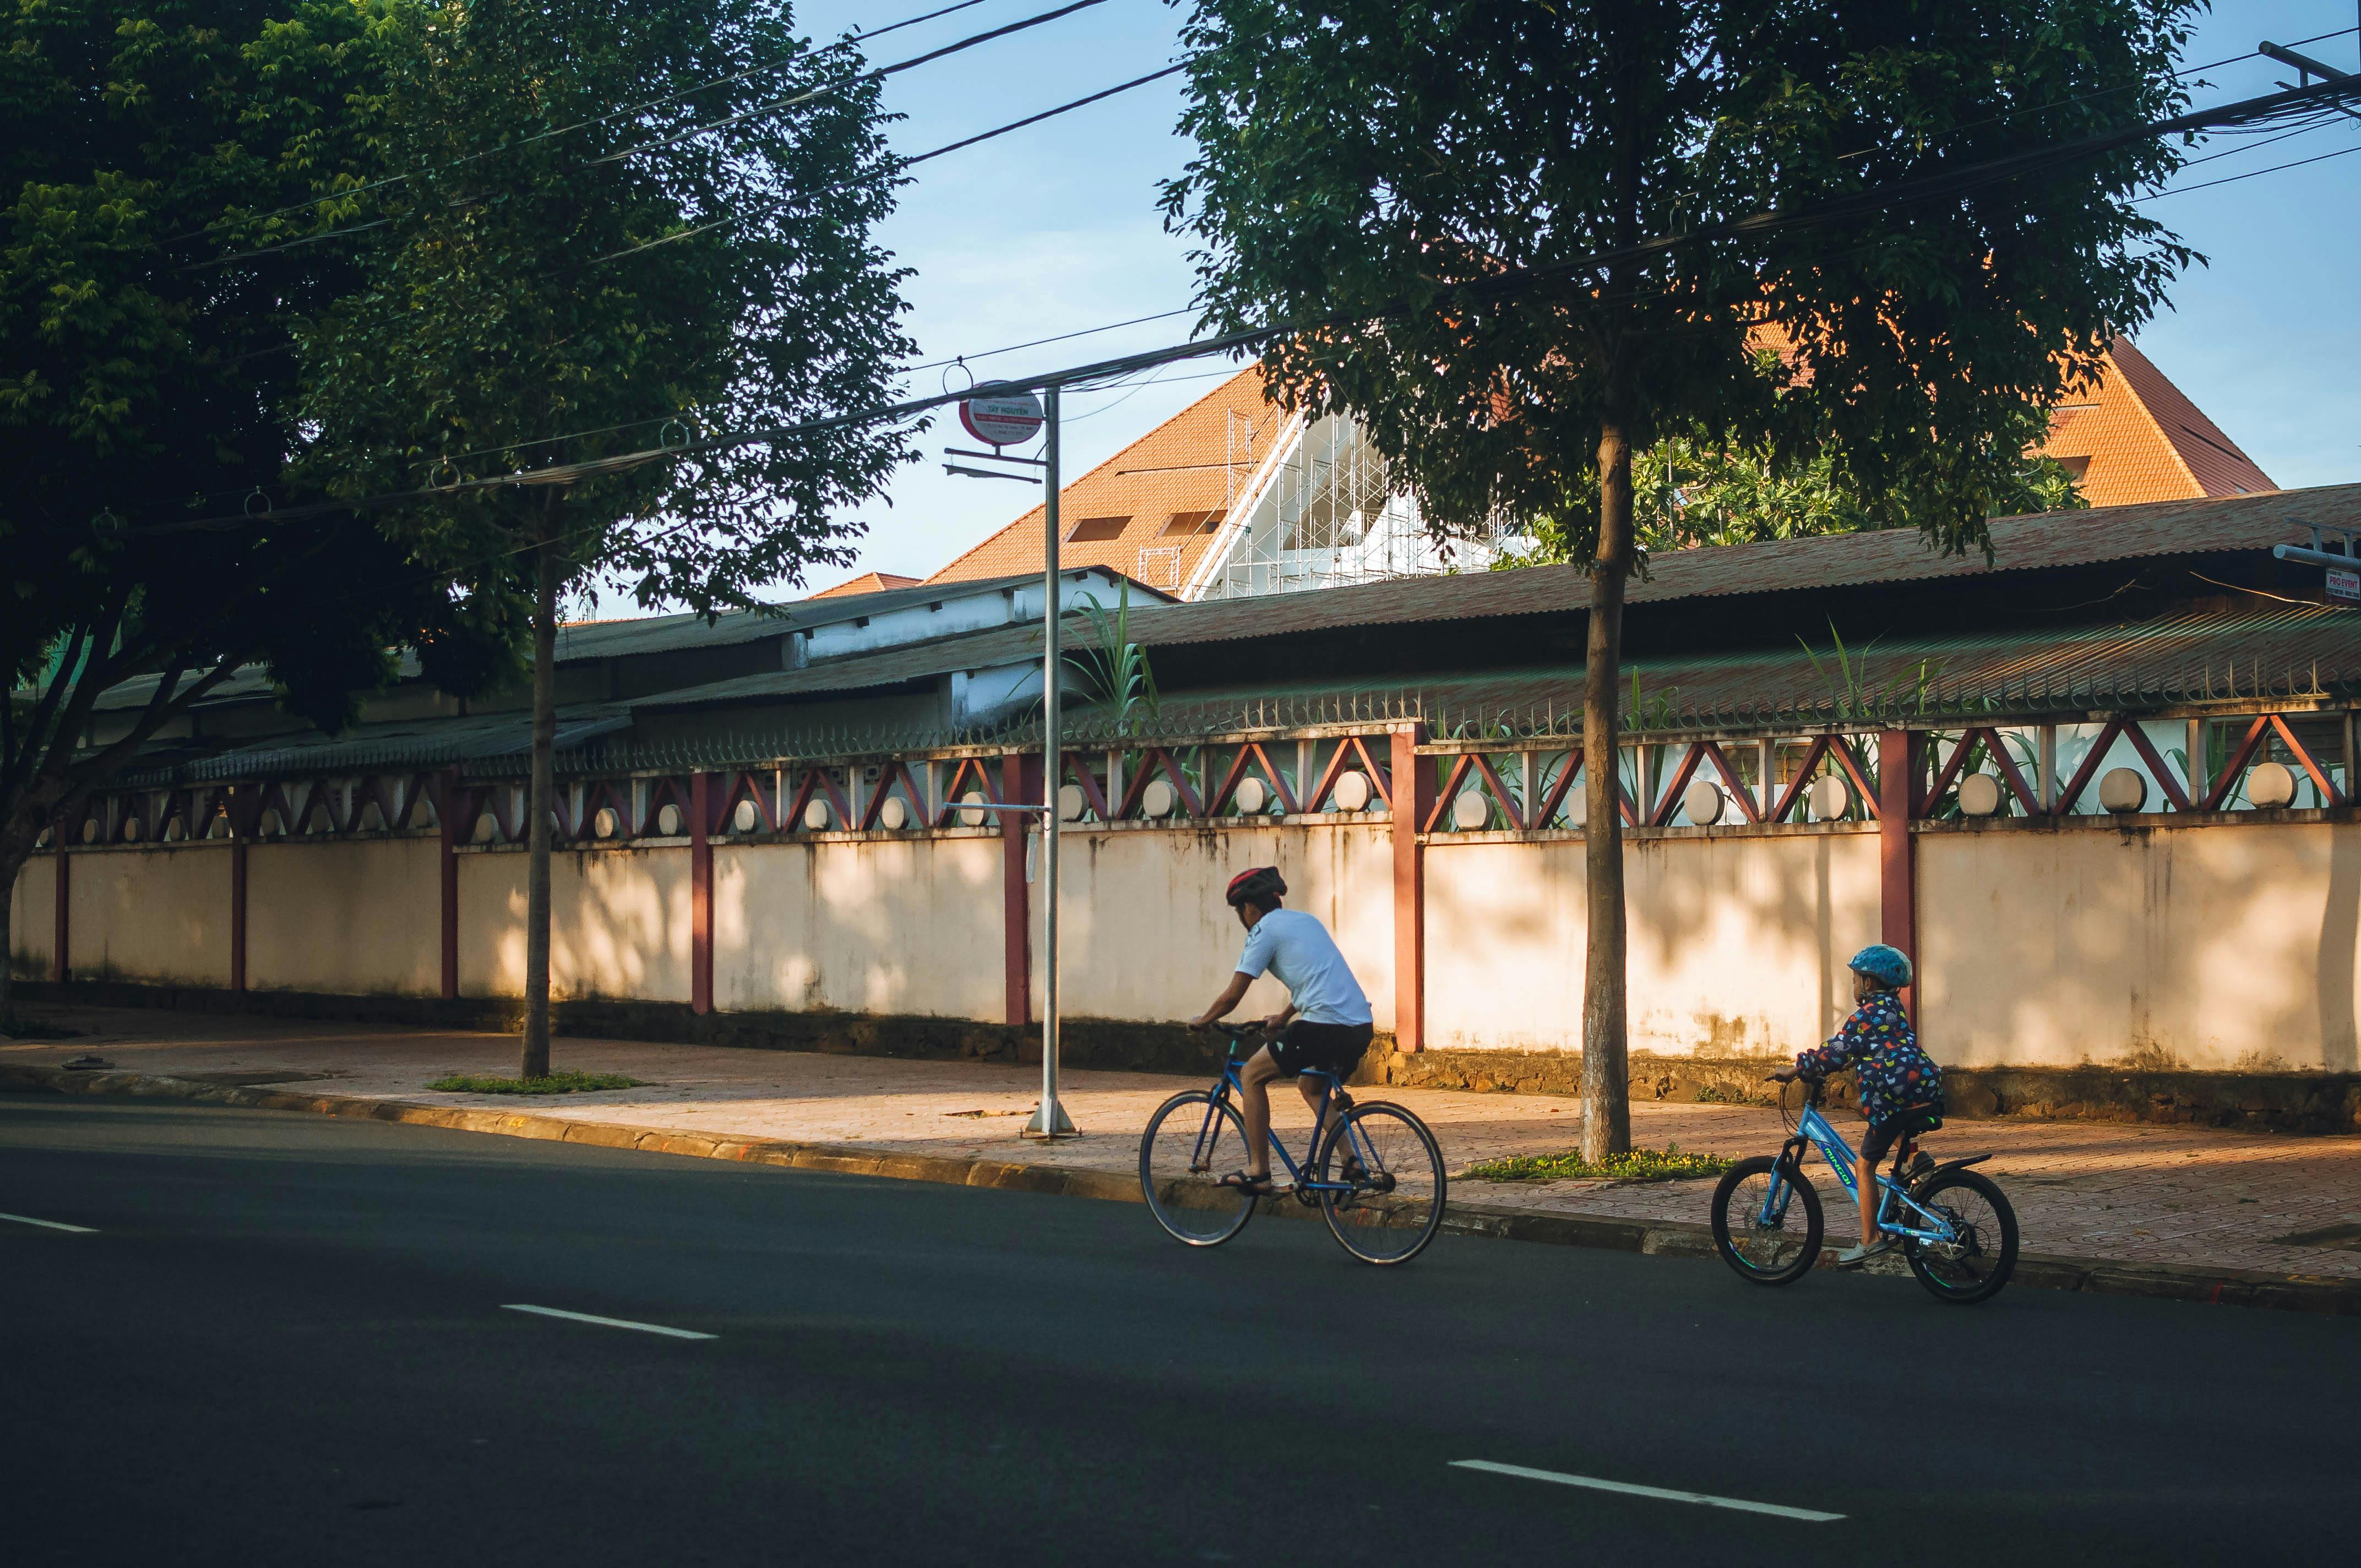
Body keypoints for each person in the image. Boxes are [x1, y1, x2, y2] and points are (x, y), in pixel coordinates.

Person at [1187, 866, 1374, 1195]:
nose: (1242, 918)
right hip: (1360, 1026)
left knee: (1251, 1076)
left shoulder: (1263, 931)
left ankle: (1258, 1171)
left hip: (1324, 1026)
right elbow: (1315, 981)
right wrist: (1283, 1017)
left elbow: (1232, 996)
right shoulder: (1307, 921)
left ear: (1249, 908)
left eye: (1239, 911)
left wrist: (1204, 1020)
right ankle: (1352, 1162)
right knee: (1311, 1087)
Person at [1772, 944, 1944, 1267]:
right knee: (1862, 1105)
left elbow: (1835, 1050)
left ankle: (1870, 1240)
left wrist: (1796, 1070)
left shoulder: (1864, 1017)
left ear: (1868, 983)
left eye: (1854, 980)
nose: (1853, 986)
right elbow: (1873, 1048)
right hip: (1922, 1091)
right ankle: (1913, 1156)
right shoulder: (1894, 1010)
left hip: (1894, 1099)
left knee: (1864, 1166)